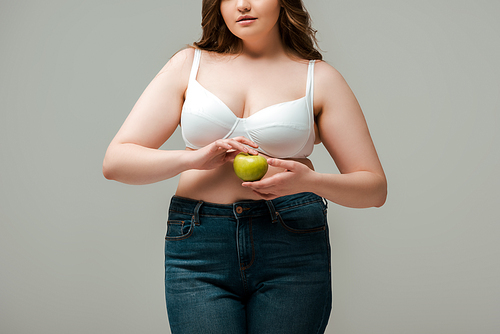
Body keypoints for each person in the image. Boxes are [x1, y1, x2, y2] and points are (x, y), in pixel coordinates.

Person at [103, 0, 387, 332]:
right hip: (199, 245)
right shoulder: (188, 65)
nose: (243, 5)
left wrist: (311, 182)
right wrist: (194, 159)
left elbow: (374, 189)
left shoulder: (319, 78)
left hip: (290, 241)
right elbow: (116, 162)